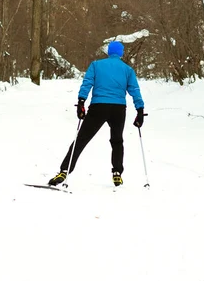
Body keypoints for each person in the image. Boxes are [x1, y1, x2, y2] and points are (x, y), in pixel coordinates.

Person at [48, 41, 145, 187]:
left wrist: (81, 102)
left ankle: (64, 170)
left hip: (98, 107)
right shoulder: (127, 70)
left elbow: (87, 83)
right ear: (121, 53)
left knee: (81, 140)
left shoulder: (96, 65)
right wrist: (140, 110)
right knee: (117, 141)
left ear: (108, 52)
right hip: (118, 109)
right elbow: (134, 91)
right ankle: (117, 172)